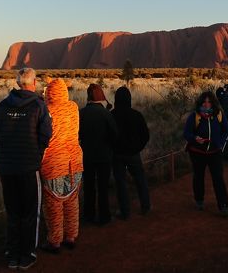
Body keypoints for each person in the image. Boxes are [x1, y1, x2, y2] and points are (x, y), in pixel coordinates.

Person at [0, 68, 53, 269]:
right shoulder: (39, 106)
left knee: (13, 210)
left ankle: (12, 253)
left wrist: (10, 141)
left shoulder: (3, 105)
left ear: (18, 83)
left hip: (7, 168)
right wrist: (36, 150)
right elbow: (46, 135)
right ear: (33, 83)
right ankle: (27, 255)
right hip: (28, 167)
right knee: (30, 211)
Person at [39, 79, 83, 254]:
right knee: (72, 200)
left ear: (49, 93)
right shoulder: (73, 107)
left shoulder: (46, 111)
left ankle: (55, 241)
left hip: (54, 162)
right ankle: (71, 236)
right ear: (64, 91)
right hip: (75, 161)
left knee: (53, 203)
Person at [183, 91, 228, 216]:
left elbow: (226, 130)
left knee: (218, 179)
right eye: (204, 101)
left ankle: (223, 206)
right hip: (197, 152)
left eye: (209, 101)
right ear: (200, 102)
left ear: (213, 102)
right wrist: (194, 139)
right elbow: (186, 133)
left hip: (215, 152)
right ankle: (199, 200)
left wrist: (220, 143)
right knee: (198, 177)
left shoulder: (219, 115)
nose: (207, 104)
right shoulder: (195, 116)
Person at [79, 84, 118, 225]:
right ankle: (104, 217)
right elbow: (114, 135)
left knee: (89, 187)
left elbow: (77, 134)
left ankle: (88, 216)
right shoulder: (106, 114)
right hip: (104, 156)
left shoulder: (81, 113)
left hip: (87, 156)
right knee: (103, 187)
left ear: (88, 96)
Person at [111, 86, 151, 219]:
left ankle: (125, 211)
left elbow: (107, 136)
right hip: (133, 154)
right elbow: (145, 135)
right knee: (140, 179)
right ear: (129, 99)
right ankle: (145, 206)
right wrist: (138, 148)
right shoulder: (137, 115)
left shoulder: (112, 115)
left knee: (120, 183)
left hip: (117, 155)